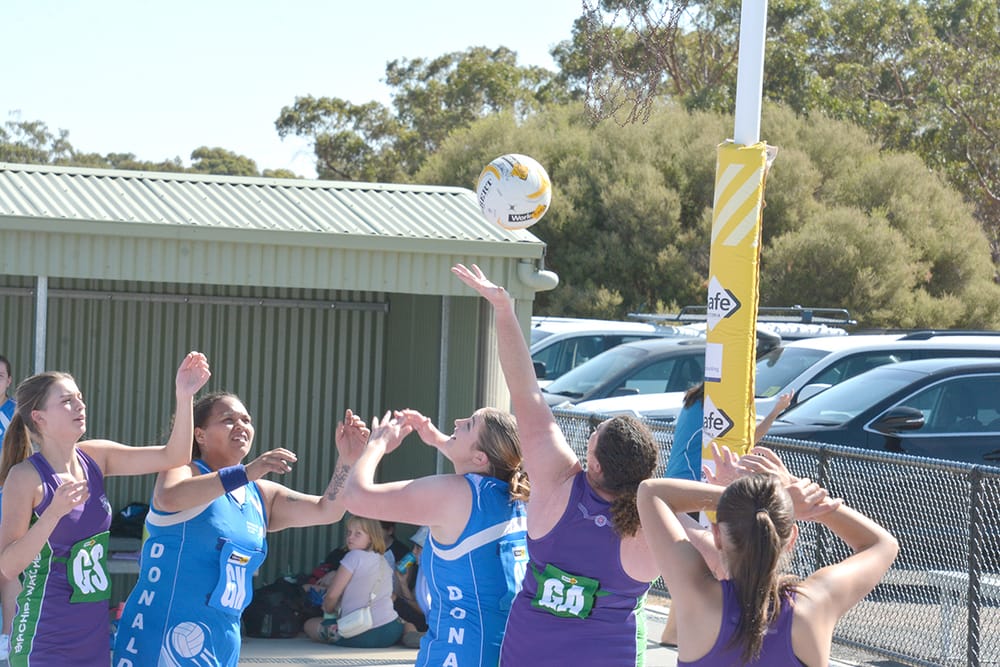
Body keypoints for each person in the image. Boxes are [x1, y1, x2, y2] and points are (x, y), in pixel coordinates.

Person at [451, 263, 660, 665]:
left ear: (595, 467)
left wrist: (503, 309)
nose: (585, 446)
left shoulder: (560, 484)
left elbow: (526, 393)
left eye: (592, 442)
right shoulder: (650, 528)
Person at [112, 394, 370, 667]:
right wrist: (247, 471)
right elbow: (169, 498)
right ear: (199, 434)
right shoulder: (184, 470)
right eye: (228, 420)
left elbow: (326, 510)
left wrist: (347, 461)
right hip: (163, 635)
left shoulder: (259, 494)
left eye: (246, 420)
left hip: (221, 640)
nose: (241, 425)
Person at [0, 351, 211, 667]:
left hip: (93, 629)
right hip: (45, 632)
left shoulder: (95, 456)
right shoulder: (25, 476)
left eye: (80, 398)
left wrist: (184, 396)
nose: (80, 405)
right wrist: (52, 515)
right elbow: (7, 565)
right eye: (67, 401)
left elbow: (175, 455)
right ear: (39, 416)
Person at [637, 445, 899, 666]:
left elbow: (651, 492)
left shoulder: (697, 597)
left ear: (716, 535)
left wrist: (739, 500)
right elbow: (882, 544)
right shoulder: (814, 603)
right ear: (791, 537)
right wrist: (786, 493)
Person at [342, 406, 529, 667]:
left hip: (458, 654)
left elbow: (355, 498)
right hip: (505, 652)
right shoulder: (516, 497)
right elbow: (476, 462)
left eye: (468, 424)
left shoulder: (457, 494)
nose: (457, 419)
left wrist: (376, 445)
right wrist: (435, 438)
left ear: (479, 458)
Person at [660, 382, 792, 645]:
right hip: (695, 489)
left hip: (675, 487)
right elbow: (742, 445)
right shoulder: (714, 408)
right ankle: (678, 632)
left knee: (693, 564)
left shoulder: (693, 405)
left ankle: (673, 632)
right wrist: (775, 412)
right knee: (711, 564)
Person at [303, 515, 403, 647]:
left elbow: (332, 595)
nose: (350, 537)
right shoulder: (383, 560)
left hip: (363, 632)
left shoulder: (353, 556)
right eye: (349, 532)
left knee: (310, 625)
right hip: (391, 630)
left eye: (358, 534)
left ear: (371, 537)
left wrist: (329, 611)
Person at [0, 355, 17, 660]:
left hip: (9, 499)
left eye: (0, 375)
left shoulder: (18, 414)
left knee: (8, 568)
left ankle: (8, 636)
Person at [393, 525, 429, 648]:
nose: (413, 552)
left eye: (418, 548)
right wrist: (403, 582)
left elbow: (423, 610)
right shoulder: (422, 571)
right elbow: (413, 603)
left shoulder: (437, 575)